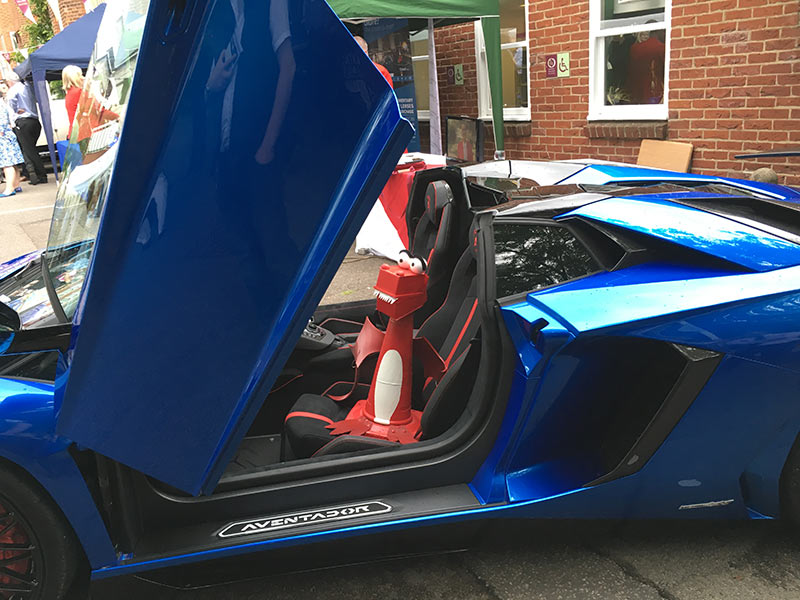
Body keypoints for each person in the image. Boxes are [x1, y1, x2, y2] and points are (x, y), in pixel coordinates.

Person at [5, 73, 47, 185]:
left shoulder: (13, 90)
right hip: (34, 121)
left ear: (10, 81)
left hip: (23, 122)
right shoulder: (28, 87)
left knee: (28, 150)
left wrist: (14, 115)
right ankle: (32, 173)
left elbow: (10, 107)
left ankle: (39, 174)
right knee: (30, 149)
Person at [0, 81, 23, 197]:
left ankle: (9, 188)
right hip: (8, 134)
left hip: (2, 136)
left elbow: (2, 121)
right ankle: (16, 185)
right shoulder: (3, 103)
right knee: (12, 163)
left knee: (6, 164)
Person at [61, 65, 84, 139]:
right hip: (83, 133)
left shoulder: (70, 93)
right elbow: (94, 108)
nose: (82, 77)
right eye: (80, 75)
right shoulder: (79, 91)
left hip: (73, 133)